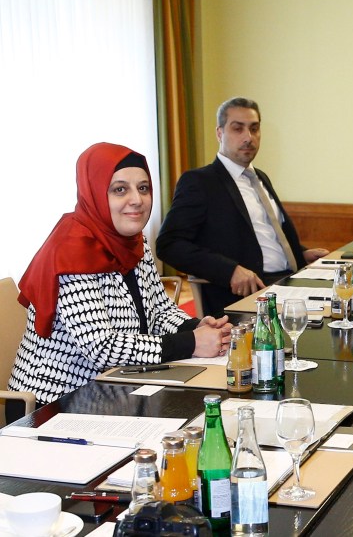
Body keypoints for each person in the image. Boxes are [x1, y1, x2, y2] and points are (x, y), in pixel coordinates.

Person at [8, 143, 231, 423]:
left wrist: (195, 326)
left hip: (114, 387)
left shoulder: (135, 243)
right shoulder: (70, 252)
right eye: (120, 189)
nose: (137, 199)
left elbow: (160, 310)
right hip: (54, 402)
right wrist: (191, 343)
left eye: (143, 188)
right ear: (94, 192)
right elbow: (102, 348)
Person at [156, 97, 329, 316]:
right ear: (220, 133)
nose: (248, 137)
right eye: (238, 129)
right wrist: (230, 271)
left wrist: (300, 253)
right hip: (250, 294)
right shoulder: (200, 182)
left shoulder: (260, 177)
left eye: (254, 129)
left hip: (290, 282)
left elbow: (263, 235)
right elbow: (169, 244)